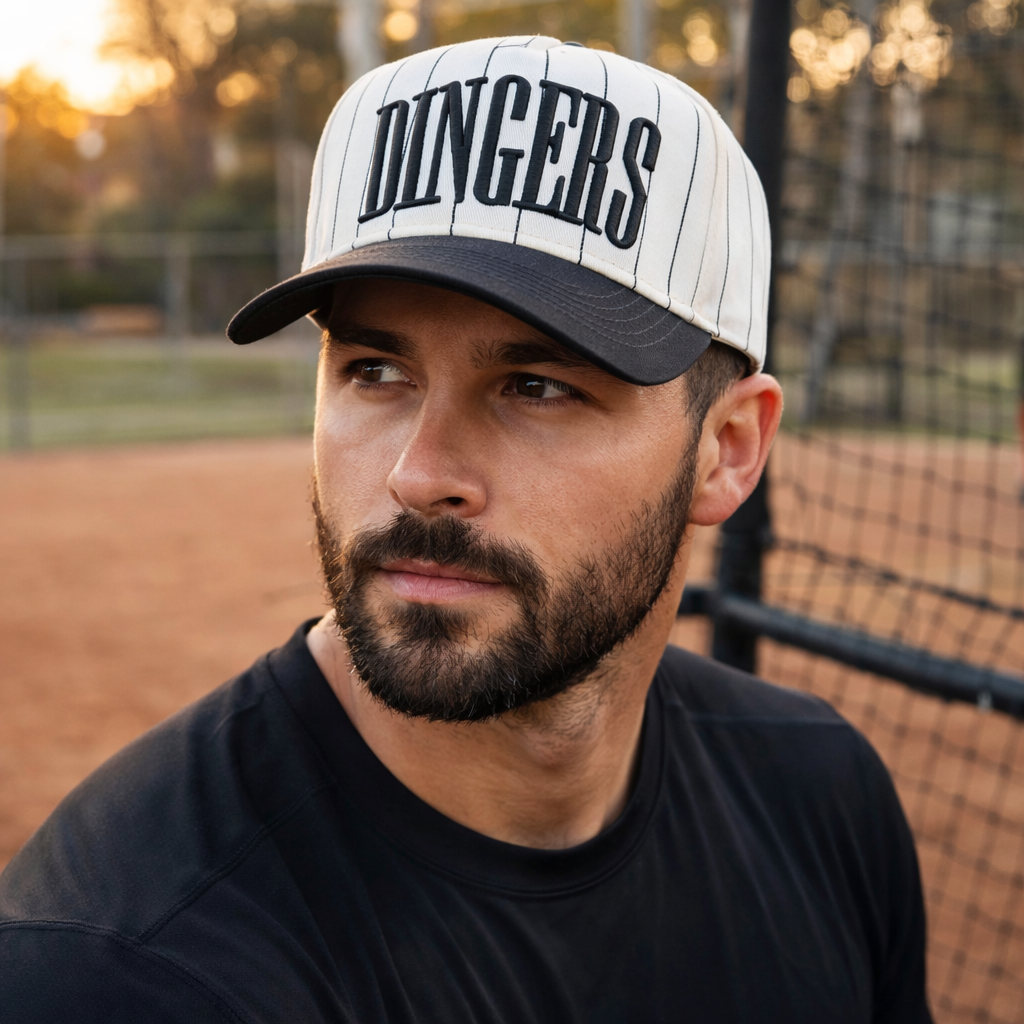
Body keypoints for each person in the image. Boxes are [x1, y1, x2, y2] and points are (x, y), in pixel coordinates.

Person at [0, 37, 931, 1023]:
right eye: (375, 371)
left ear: (729, 447)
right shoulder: (123, 973)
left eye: (537, 387)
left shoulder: (820, 801)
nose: (418, 474)